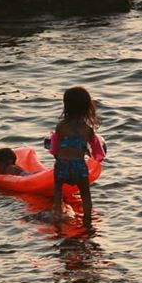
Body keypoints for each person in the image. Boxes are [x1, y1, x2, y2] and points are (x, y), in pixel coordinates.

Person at [48, 86, 105, 227]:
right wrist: (97, 159)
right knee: (85, 194)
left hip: (62, 164)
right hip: (79, 166)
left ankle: (57, 215)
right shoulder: (87, 129)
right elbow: (97, 150)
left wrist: (57, 158)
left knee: (58, 189)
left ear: (66, 106)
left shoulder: (61, 126)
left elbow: (54, 147)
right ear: (87, 107)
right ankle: (87, 221)